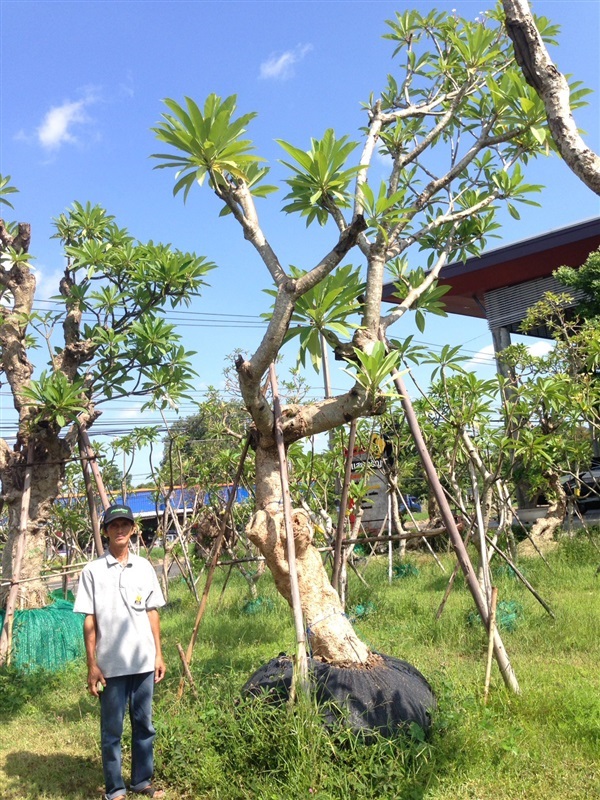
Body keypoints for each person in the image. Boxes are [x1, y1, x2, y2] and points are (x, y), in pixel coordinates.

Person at [74, 503, 166, 800]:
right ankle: (115, 789)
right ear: (105, 531)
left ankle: (142, 781)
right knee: (112, 731)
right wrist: (92, 664)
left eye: (125, 524)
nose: (120, 529)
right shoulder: (93, 571)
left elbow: (152, 611)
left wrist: (158, 654)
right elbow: (90, 620)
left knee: (145, 725)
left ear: (133, 529)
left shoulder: (143, 567)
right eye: (114, 525)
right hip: (111, 666)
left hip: (142, 661)